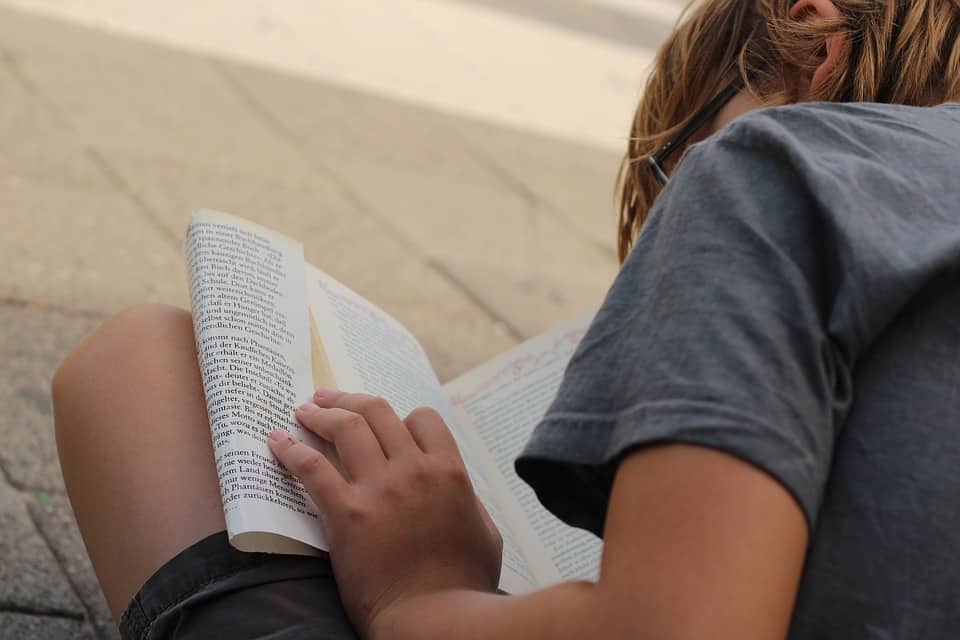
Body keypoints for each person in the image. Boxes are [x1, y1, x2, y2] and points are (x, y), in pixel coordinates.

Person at [52, 0, 960, 637]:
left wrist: (421, 597)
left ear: (811, 44)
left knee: (137, 366)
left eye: (666, 172)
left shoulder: (778, 172)